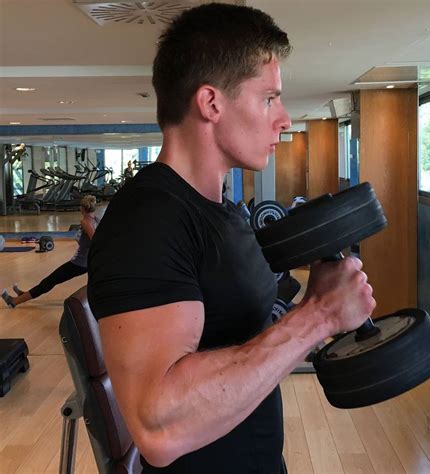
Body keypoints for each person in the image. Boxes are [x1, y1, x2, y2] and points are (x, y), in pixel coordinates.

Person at [87, 4, 375, 473]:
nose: (284, 118)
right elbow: (158, 425)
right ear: (211, 103)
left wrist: (315, 302)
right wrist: (319, 316)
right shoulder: (148, 221)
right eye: (269, 99)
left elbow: (243, 337)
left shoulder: (223, 210)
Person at [2, 195, 100, 308]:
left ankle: (14, 301)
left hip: (80, 264)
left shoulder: (86, 222)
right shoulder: (96, 220)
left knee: (49, 281)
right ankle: (24, 295)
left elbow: (96, 241)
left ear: (82, 208)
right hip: (84, 262)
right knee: (50, 281)